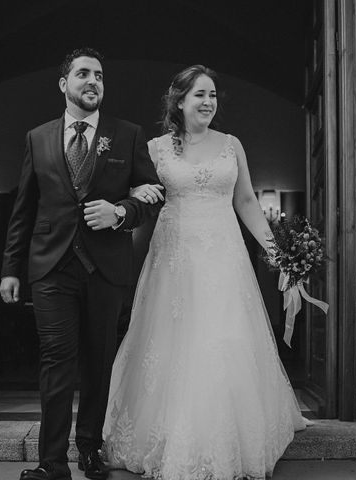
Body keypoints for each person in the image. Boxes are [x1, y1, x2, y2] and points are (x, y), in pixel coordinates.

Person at [103, 65, 306, 480]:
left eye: (212, 95)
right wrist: (129, 199)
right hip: (174, 259)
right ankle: (173, 436)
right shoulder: (157, 148)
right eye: (199, 94)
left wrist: (279, 257)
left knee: (225, 338)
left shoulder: (232, 145)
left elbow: (247, 201)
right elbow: (138, 196)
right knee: (175, 342)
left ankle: (230, 436)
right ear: (179, 101)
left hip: (224, 257)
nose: (208, 102)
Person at [0, 47, 164, 480]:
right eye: (84, 74)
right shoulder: (38, 137)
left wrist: (122, 212)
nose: (93, 81)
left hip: (106, 268)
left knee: (98, 360)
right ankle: (51, 463)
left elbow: (153, 194)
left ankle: (89, 449)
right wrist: (10, 268)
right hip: (51, 267)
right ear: (64, 84)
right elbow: (24, 208)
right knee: (56, 360)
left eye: (100, 76)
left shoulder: (126, 135)